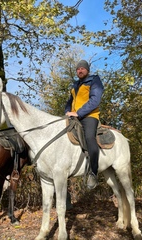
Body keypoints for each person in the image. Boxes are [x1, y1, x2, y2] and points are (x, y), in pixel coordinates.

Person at [65, 60, 104, 189]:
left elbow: (95, 100)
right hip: (74, 117)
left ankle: (93, 172)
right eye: (78, 69)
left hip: (89, 116)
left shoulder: (94, 80)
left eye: (82, 68)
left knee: (89, 137)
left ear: (87, 70)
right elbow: (69, 102)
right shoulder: (75, 85)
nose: (80, 71)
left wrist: (79, 113)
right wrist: (67, 112)